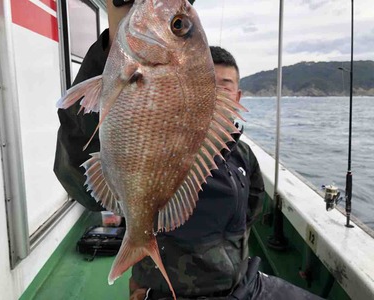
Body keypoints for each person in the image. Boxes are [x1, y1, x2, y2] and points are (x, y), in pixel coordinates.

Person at [54, 1, 323, 299]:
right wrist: (112, 39)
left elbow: (253, 208)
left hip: (245, 284)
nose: (215, 92)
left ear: (238, 95)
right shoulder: (136, 82)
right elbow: (78, 172)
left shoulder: (243, 155)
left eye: (225, 85)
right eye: (210, 82)